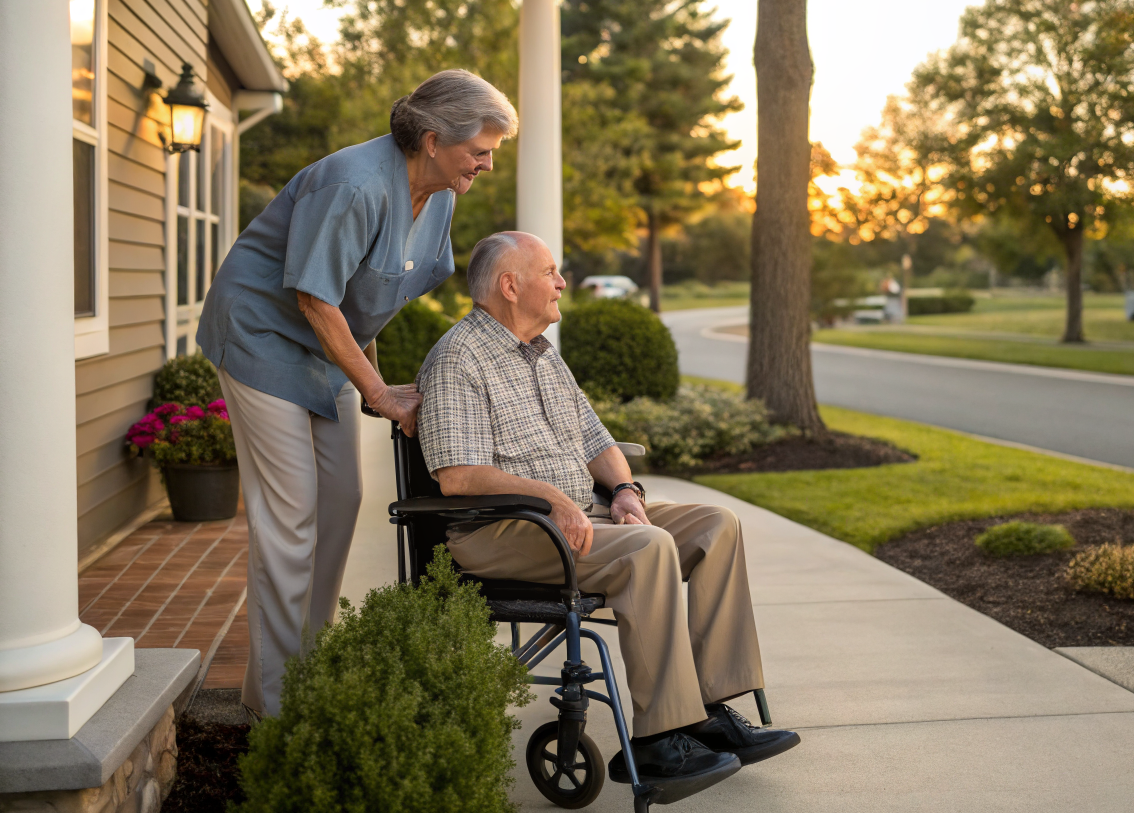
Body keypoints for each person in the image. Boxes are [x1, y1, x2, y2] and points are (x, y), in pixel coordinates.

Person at [415, 231, 800, 783]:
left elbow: (599, 441)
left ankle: (710, 712)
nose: (562, 283)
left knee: (716, 525)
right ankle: (657, 739)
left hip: (578, 516)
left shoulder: (545, 356)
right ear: (509, 285)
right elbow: (458, 476)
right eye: (550, 272)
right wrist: (554, 501)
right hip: (506, 530)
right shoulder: (458, 359)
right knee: (649, 547)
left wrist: (623, 493)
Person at [197, 70, 516, 716]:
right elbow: (315, 295)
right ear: (432, 139)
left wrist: (374, 385)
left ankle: (305, 670)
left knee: (342, 498)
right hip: (262, 338)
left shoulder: (441, 193)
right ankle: (278, 710)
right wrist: (377, 391)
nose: (486, 163)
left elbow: (370, 294)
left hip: (325, 349)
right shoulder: (352, 184)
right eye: (479, 150)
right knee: (290, 519)